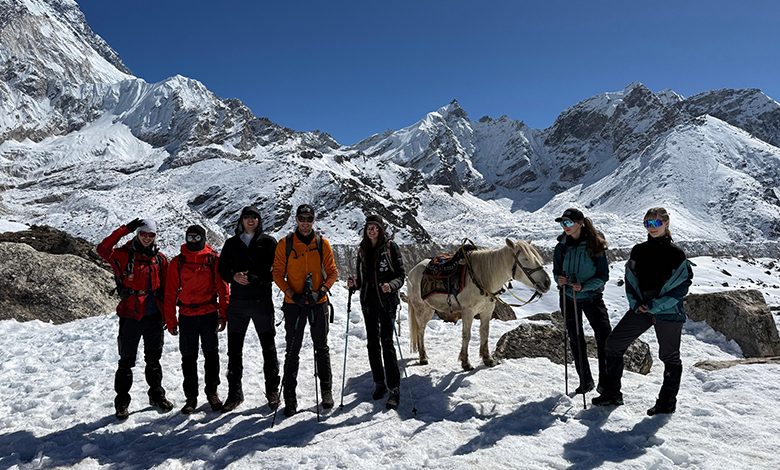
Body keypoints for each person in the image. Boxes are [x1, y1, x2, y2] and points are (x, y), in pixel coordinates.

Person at [592, 207, 694, 415]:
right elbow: (630, 279)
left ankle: (666, 404)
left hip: (668, 311)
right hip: (641, 307)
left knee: (670, 357)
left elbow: (682, 286)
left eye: (656, 223)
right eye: (648, 223)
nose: (651, 227)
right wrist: (635, 302)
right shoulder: (638, 250)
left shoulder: (677, 254)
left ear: (666, 223)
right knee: (613, 344)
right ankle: (612, 394)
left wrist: (655, 305)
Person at [97, 218, 173, 420]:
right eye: (143, 233)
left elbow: (166, 289)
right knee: (126, 362)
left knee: (154, 359)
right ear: (137, 234)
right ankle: (122, 402)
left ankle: (156, 395)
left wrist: (166, 316)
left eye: (151, 235)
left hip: (154, 317)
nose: (147, 238)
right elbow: (103, 249)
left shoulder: (160, 259)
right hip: (131, 315)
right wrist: (125, 229)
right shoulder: (123, 256)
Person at [273, 204, 338, 417]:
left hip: (318, 303)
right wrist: (292, 294)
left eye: (309, 218)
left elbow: (332, 272)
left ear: (314, 220)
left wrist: (321, 292)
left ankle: (326, 391)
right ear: (296, 219)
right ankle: (290, 397)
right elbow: (277, 274)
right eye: (302, 218)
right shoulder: (286, 244)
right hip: (294, 305)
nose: (305, 222)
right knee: (293, 350)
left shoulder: (322, 244)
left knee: (322, 347)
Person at [218, 206, 281, 412]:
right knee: (234, 351)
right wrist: (233, 277)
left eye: (254, 217)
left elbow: (278, 271)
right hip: (237, 304)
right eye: (247, 217)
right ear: (241, 221)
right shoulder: (231, 244)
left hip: (261, 302)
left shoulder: (268, 242)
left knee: (268, 348)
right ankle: (234, 394)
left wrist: (257, 279)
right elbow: (222, 270)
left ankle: (272, 391)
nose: (250, 220)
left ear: (259, 220)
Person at [164, 225, 229, 414]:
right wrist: (171, 320)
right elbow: (169, 293)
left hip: (209, 313)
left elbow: (222, 288)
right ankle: (191, 398)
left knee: (211, 355)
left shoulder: (213, 260)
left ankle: (212, 393)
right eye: (189, 237)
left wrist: (223, 314)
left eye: (196, 237)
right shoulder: (178, 262)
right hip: (186, 315)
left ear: (203, 238)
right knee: (188, 358)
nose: (193, 241)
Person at [347, 214, 405, 409]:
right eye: (369, 227)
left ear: (381, 230)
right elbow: (361, 279)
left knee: (387, 343)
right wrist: (355, 284)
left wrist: (391, 285)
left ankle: (394, 387)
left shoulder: (390, 248)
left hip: (387, 302)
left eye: (375, 227)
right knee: (372, 343)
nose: (372, 230)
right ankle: (379, 382)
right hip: (368, 303)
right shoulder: (362, 250)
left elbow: (401, 275)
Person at [552, 208, 612, 395]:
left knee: (604, 339)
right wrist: (559, 280)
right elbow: (556, 271)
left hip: (592, 297)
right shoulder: (561, 246)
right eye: (563, 223)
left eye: (569, 223)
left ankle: (606, 384)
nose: (565, 227)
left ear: (580, 223)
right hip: (568, 297)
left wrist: (585, 286)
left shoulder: (595, 245)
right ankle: (585, 381)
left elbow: (603, 275)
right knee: (576, 340)